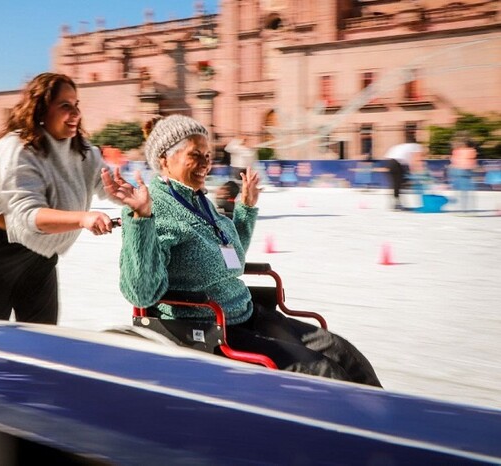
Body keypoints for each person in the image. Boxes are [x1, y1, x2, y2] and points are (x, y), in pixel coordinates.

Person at [101, 114, 382, 387]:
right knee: (322, 372)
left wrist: (246, 209)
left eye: (208, 156)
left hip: (246, 313)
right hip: (211, 326)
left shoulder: (200, 201)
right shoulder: (156, 208)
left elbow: (231, 259)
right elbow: (141, 293)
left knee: (343, 353)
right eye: (195, 155)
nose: (205, 164)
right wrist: (140, 219)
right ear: (164, 159)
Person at [0, 72, 118, 323]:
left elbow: (109, 184)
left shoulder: (82, 151)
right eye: (65, 106)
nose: (76, 114)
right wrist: (83, 218)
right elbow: (26, 215)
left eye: (76, 105)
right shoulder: (16, 149)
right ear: (40, 109)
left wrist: (137, 197)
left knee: (42, 341)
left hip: (37, 254)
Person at [384, 141, 424, 211]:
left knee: (397, 184)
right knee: (399, 184)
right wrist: (415, 171)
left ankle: (397, 203)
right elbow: (415, 159)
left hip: (390, 162)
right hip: (397, 163)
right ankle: (397, 204)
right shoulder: (416, 146)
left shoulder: (402, 146)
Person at [449, 139, 478, 214]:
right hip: (467, 171)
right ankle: (467, 208)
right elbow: (473, 161)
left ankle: (461, 208)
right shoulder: (472, 151)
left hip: (459, 171)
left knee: (460, 191)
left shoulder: (457, 151)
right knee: (466, 191)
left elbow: (453, 160)